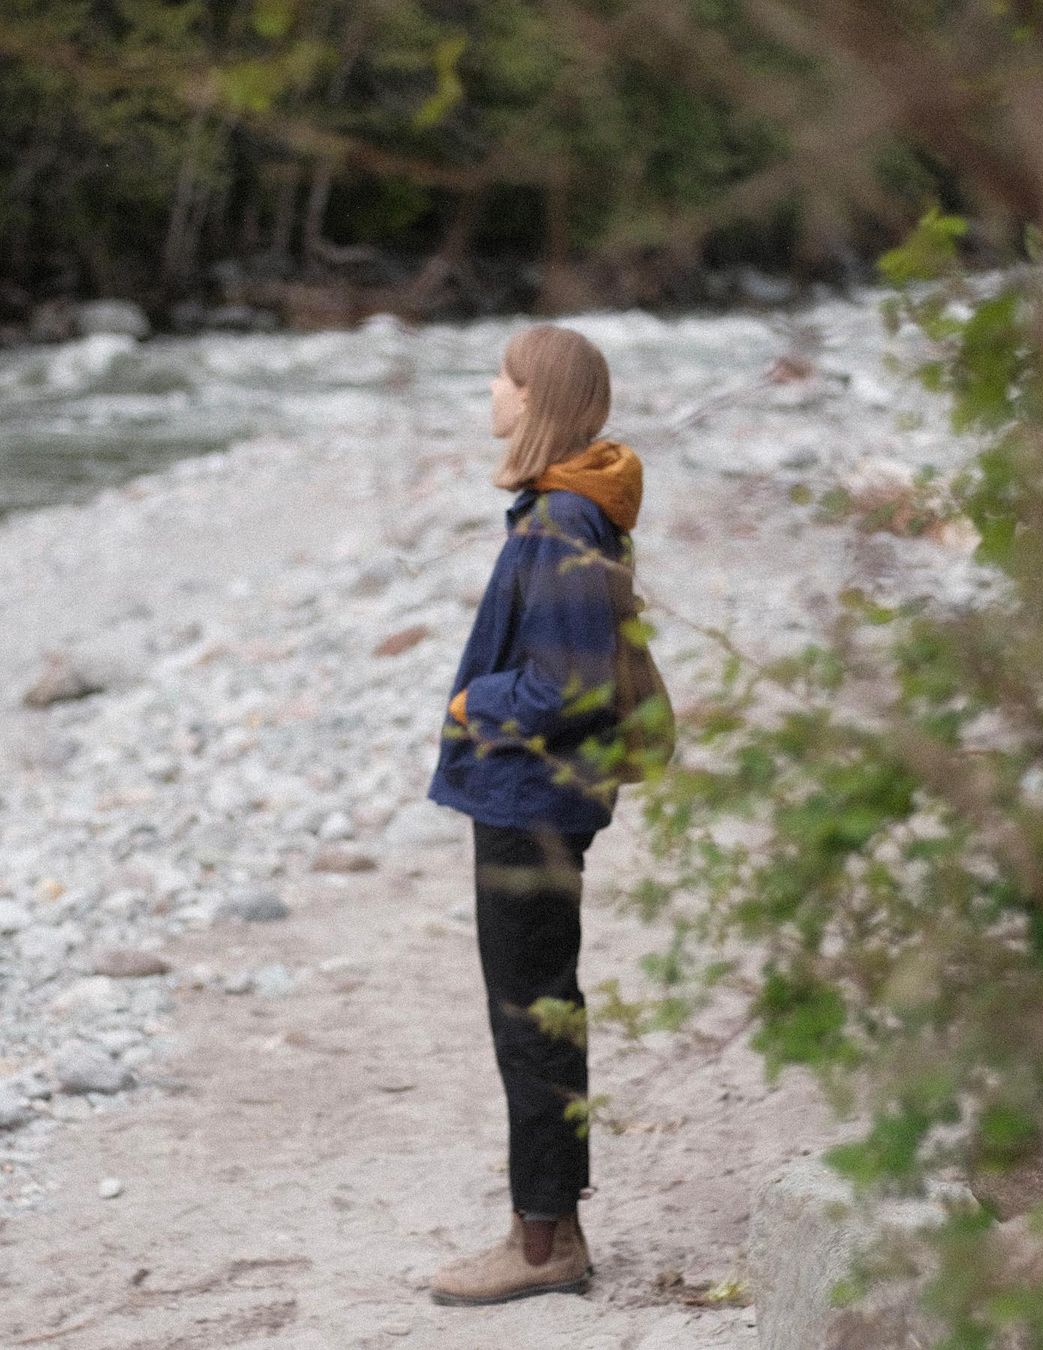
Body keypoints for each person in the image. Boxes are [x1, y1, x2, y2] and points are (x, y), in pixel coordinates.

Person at [426, 323, 644, 1306]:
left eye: (505, 378)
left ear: (537, 400)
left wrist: (476, 702)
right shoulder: (566, 509)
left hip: (532, 798)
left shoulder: (562, 520)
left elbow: (565, 684)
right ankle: (548, 1226)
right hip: (540, 795)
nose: (492, 389)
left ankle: (544, 1241)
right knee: (538, 1006)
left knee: (532, 1015)